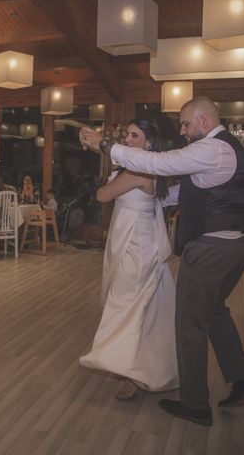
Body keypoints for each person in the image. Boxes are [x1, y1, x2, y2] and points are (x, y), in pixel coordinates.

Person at [81, 96, 244, 427]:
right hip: (238, 242)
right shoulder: (221, 151)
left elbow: (159, 165)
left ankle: (195, 405)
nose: (182, 130)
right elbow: (182, 192)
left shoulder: (212, 148)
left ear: (204, 122)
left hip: (213, 246)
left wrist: (104, 144)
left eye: (186, 123)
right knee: (215, 311)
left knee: (190, 321)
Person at [79, 119, 178, 401]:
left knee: (127, 305)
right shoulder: (141, 166)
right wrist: (93, 142)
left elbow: (102, 195)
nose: (129, 139)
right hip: (131, 236)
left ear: (149, 143)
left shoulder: (139, 171)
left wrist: (102, 150)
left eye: (136, 136)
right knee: (144, 307)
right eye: (128, 135)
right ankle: (138, 365)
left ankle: (130, 372)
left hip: (136, 242)